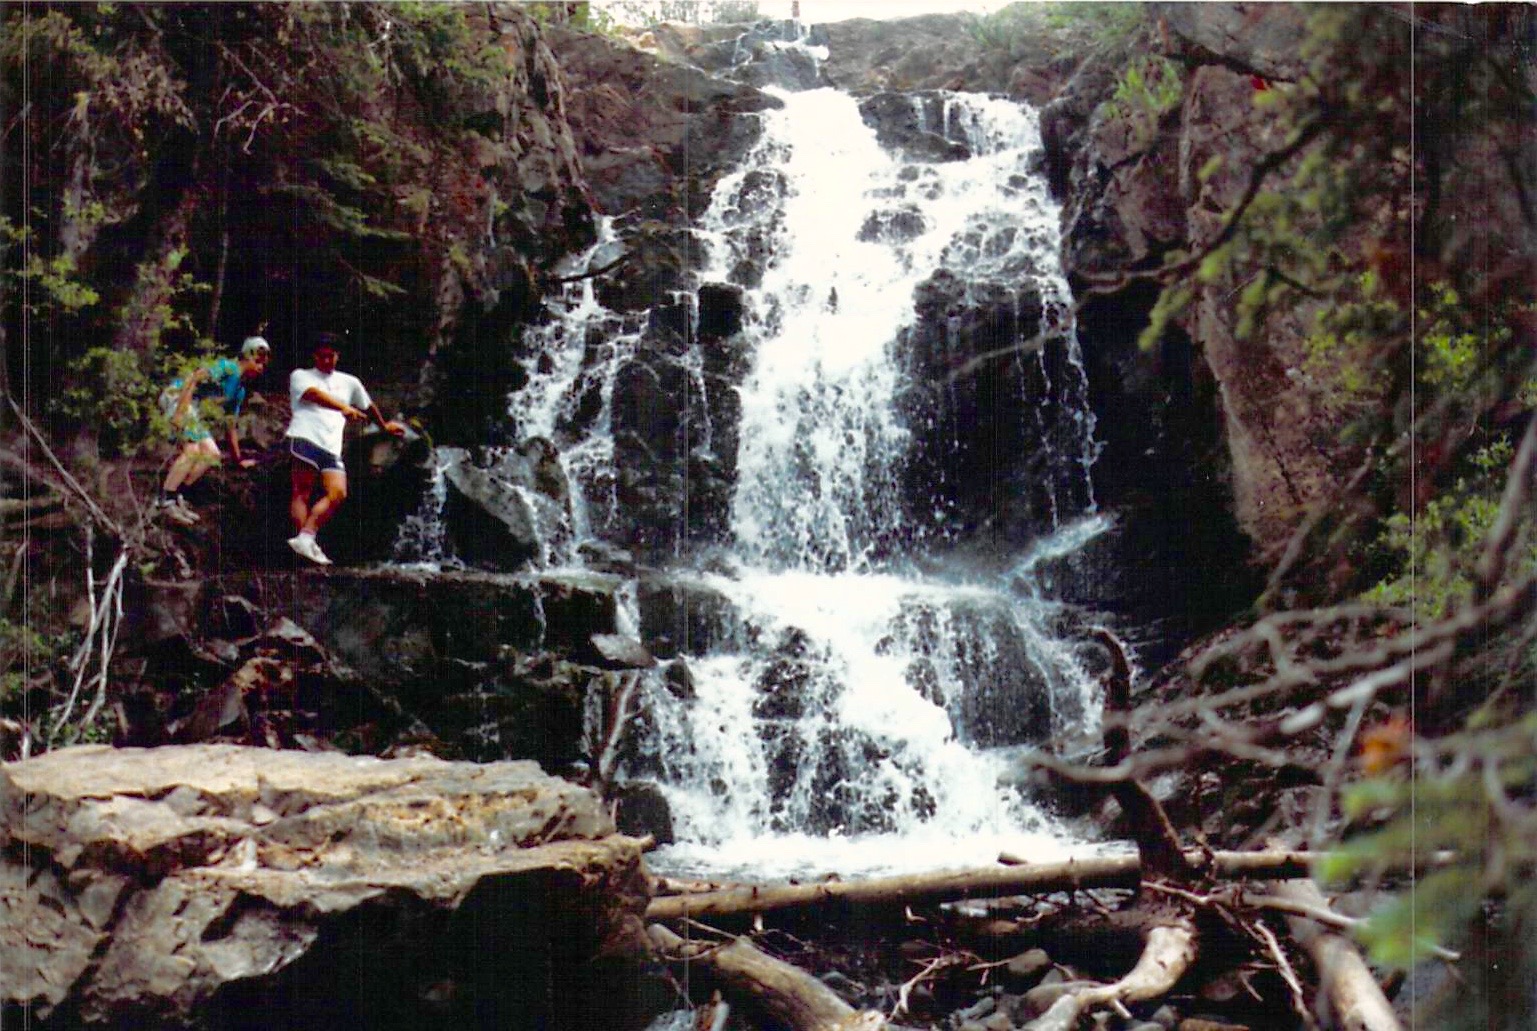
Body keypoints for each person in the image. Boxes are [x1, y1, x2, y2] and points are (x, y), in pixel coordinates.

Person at [284, 333, 406, 565]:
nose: (326, 361)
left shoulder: (350, 382)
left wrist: (383, 426)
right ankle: (304, 547)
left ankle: (306, 537)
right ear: (314, 356)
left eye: (330, 356)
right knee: (302, 492)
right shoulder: (300, 376)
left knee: (338, 492)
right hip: (305, 437)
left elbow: (367, 405)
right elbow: (313, 395)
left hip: (331, 447)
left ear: (337, 356)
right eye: (322, 356)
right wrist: (343, 407)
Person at [156, 336, 271, 526]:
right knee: (192, 450)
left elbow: (230, 425)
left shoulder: (239, 390)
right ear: (247, 356)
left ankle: (177, 495)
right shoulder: (227, 368)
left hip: (192, 409)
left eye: (263, 364)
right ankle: (164, 501)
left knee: (212, 454)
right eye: (258, 361)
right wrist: (180, 412)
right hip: (178, 397)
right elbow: (194, 377)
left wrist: (238, 460)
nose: (260, 368)